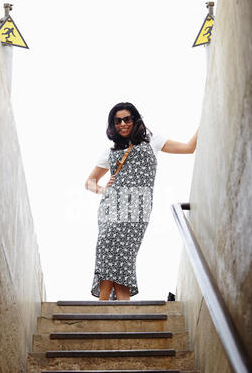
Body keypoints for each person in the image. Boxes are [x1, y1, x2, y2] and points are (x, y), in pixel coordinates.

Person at [85, 102, 198, 301]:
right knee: (105, 244)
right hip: (112, 204)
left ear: (134, 119)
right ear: (113, 125)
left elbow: (189, 148)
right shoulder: (110, 152)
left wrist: (204, 119)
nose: (122, 124)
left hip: (139, 205)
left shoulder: (152, 140)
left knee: (124, 252)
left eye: (126, 119)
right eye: (117, 120)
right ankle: (114, 305)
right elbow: (89, 182)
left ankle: (107, 307)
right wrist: (103, 189)